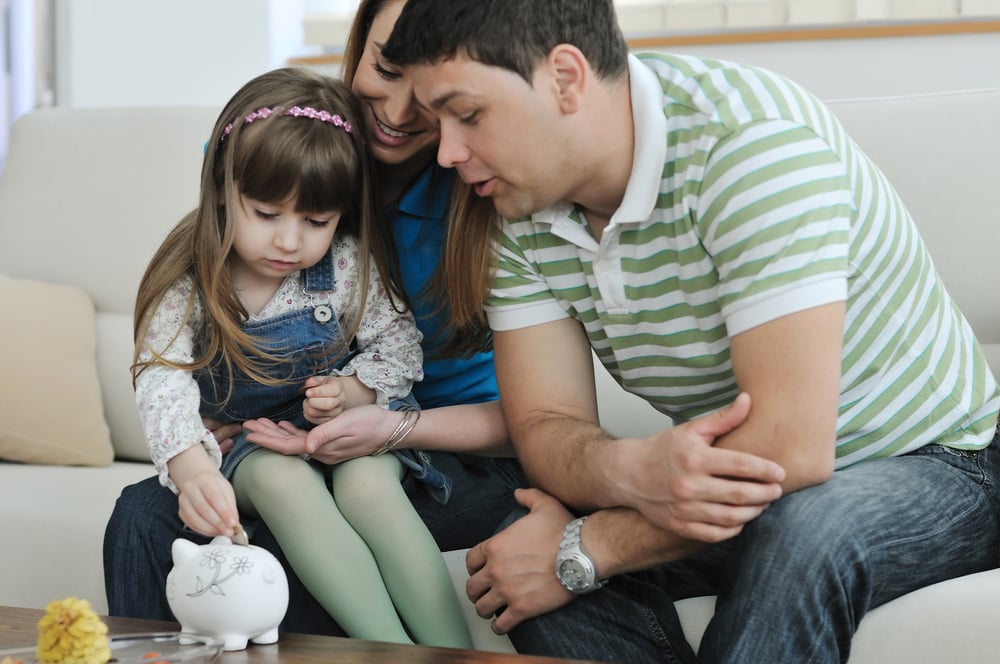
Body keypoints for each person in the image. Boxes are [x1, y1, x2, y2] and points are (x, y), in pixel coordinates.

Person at [381, 1, 1000, 662]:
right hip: (745, 493)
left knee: (801, 528)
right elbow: (545, 427)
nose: (448, 151)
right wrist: (625, 466)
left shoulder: (749, 144)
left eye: (468, 114)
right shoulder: (514, 200)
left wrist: (593, 546)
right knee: (518, 551)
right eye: (436, 121)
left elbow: (790, 450)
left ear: (565, 77)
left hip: (937, 463)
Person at [103, 0, 526, 638]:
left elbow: (397, 345)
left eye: (316, 222)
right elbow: (161, 378)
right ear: (222, 192)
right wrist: (191, 460)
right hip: (257, 450)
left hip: (374, 439)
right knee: (234, 491)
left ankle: (449, 650)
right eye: (267, 215)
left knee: (366, 488)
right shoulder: (192, 278)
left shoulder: (350, 265)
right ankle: (385, 647)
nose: (289, 242)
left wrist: (355, 393)